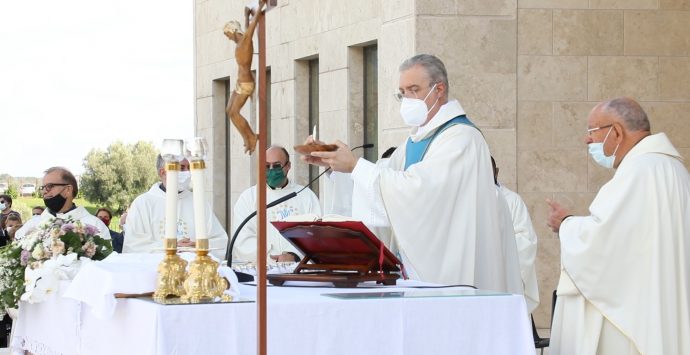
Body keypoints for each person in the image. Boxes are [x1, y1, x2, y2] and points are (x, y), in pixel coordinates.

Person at [304, 54, 521, 292]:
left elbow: (419, 191)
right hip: (422, 271)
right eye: (402, 92)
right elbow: (385, 178)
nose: (407, 99)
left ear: (439, 89)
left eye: (414, 89)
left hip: (452, 271)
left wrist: (356, 166)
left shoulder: (461, 138)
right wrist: (336, 163)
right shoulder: (416, 139)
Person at [546, 97, 690, 355]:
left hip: (634, 319)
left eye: (592, 132)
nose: (586, 140)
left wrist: (566, 224)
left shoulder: (638, 171)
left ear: (617, 132)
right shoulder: (673, 170)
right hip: (664, 308)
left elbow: (603, 243)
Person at [123, 155, 228, 260]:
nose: (187, 173)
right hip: (155, 271)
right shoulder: (143, 203)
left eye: (189, 168)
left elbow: (220, 240)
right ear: (163, 173)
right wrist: (172, 247)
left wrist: (197, 245)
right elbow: (133, 245)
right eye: (182, 168)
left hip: (193, 270)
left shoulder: (198, 202)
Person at [233, 145, 321, 263]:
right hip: (262, 269)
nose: (271, 170)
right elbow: (243, 239)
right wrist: (272, 255)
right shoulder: (248, 198)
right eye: (267, 166)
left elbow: (314, 233)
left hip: (298, 268)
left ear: (288, 166)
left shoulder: (305, 196)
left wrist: (293, 255)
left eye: (277, 166)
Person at [492, 157, 540, 313]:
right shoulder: (469, 200)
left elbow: (527, 239)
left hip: (505, 278)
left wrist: (497, 248)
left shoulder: (512, 200)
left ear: (496, 171)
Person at [15, 167, 110, 240]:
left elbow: (105, 261)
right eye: (43, 187)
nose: (44, 191)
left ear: (68, 190)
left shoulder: (94, 226)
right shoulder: (33, 225)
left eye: (49, 186)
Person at [222, 0, 267, 155]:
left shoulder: (245, 42)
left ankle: (251, 137)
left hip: (246, 83)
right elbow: (247, 28)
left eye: (228, 35)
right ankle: (247, 138)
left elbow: (252, 27)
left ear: (233, 31)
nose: (228, 38)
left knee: (234, 112)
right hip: (239, 82)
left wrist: (260, 6)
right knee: (229, 110)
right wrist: (245, 15)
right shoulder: (242, 41)